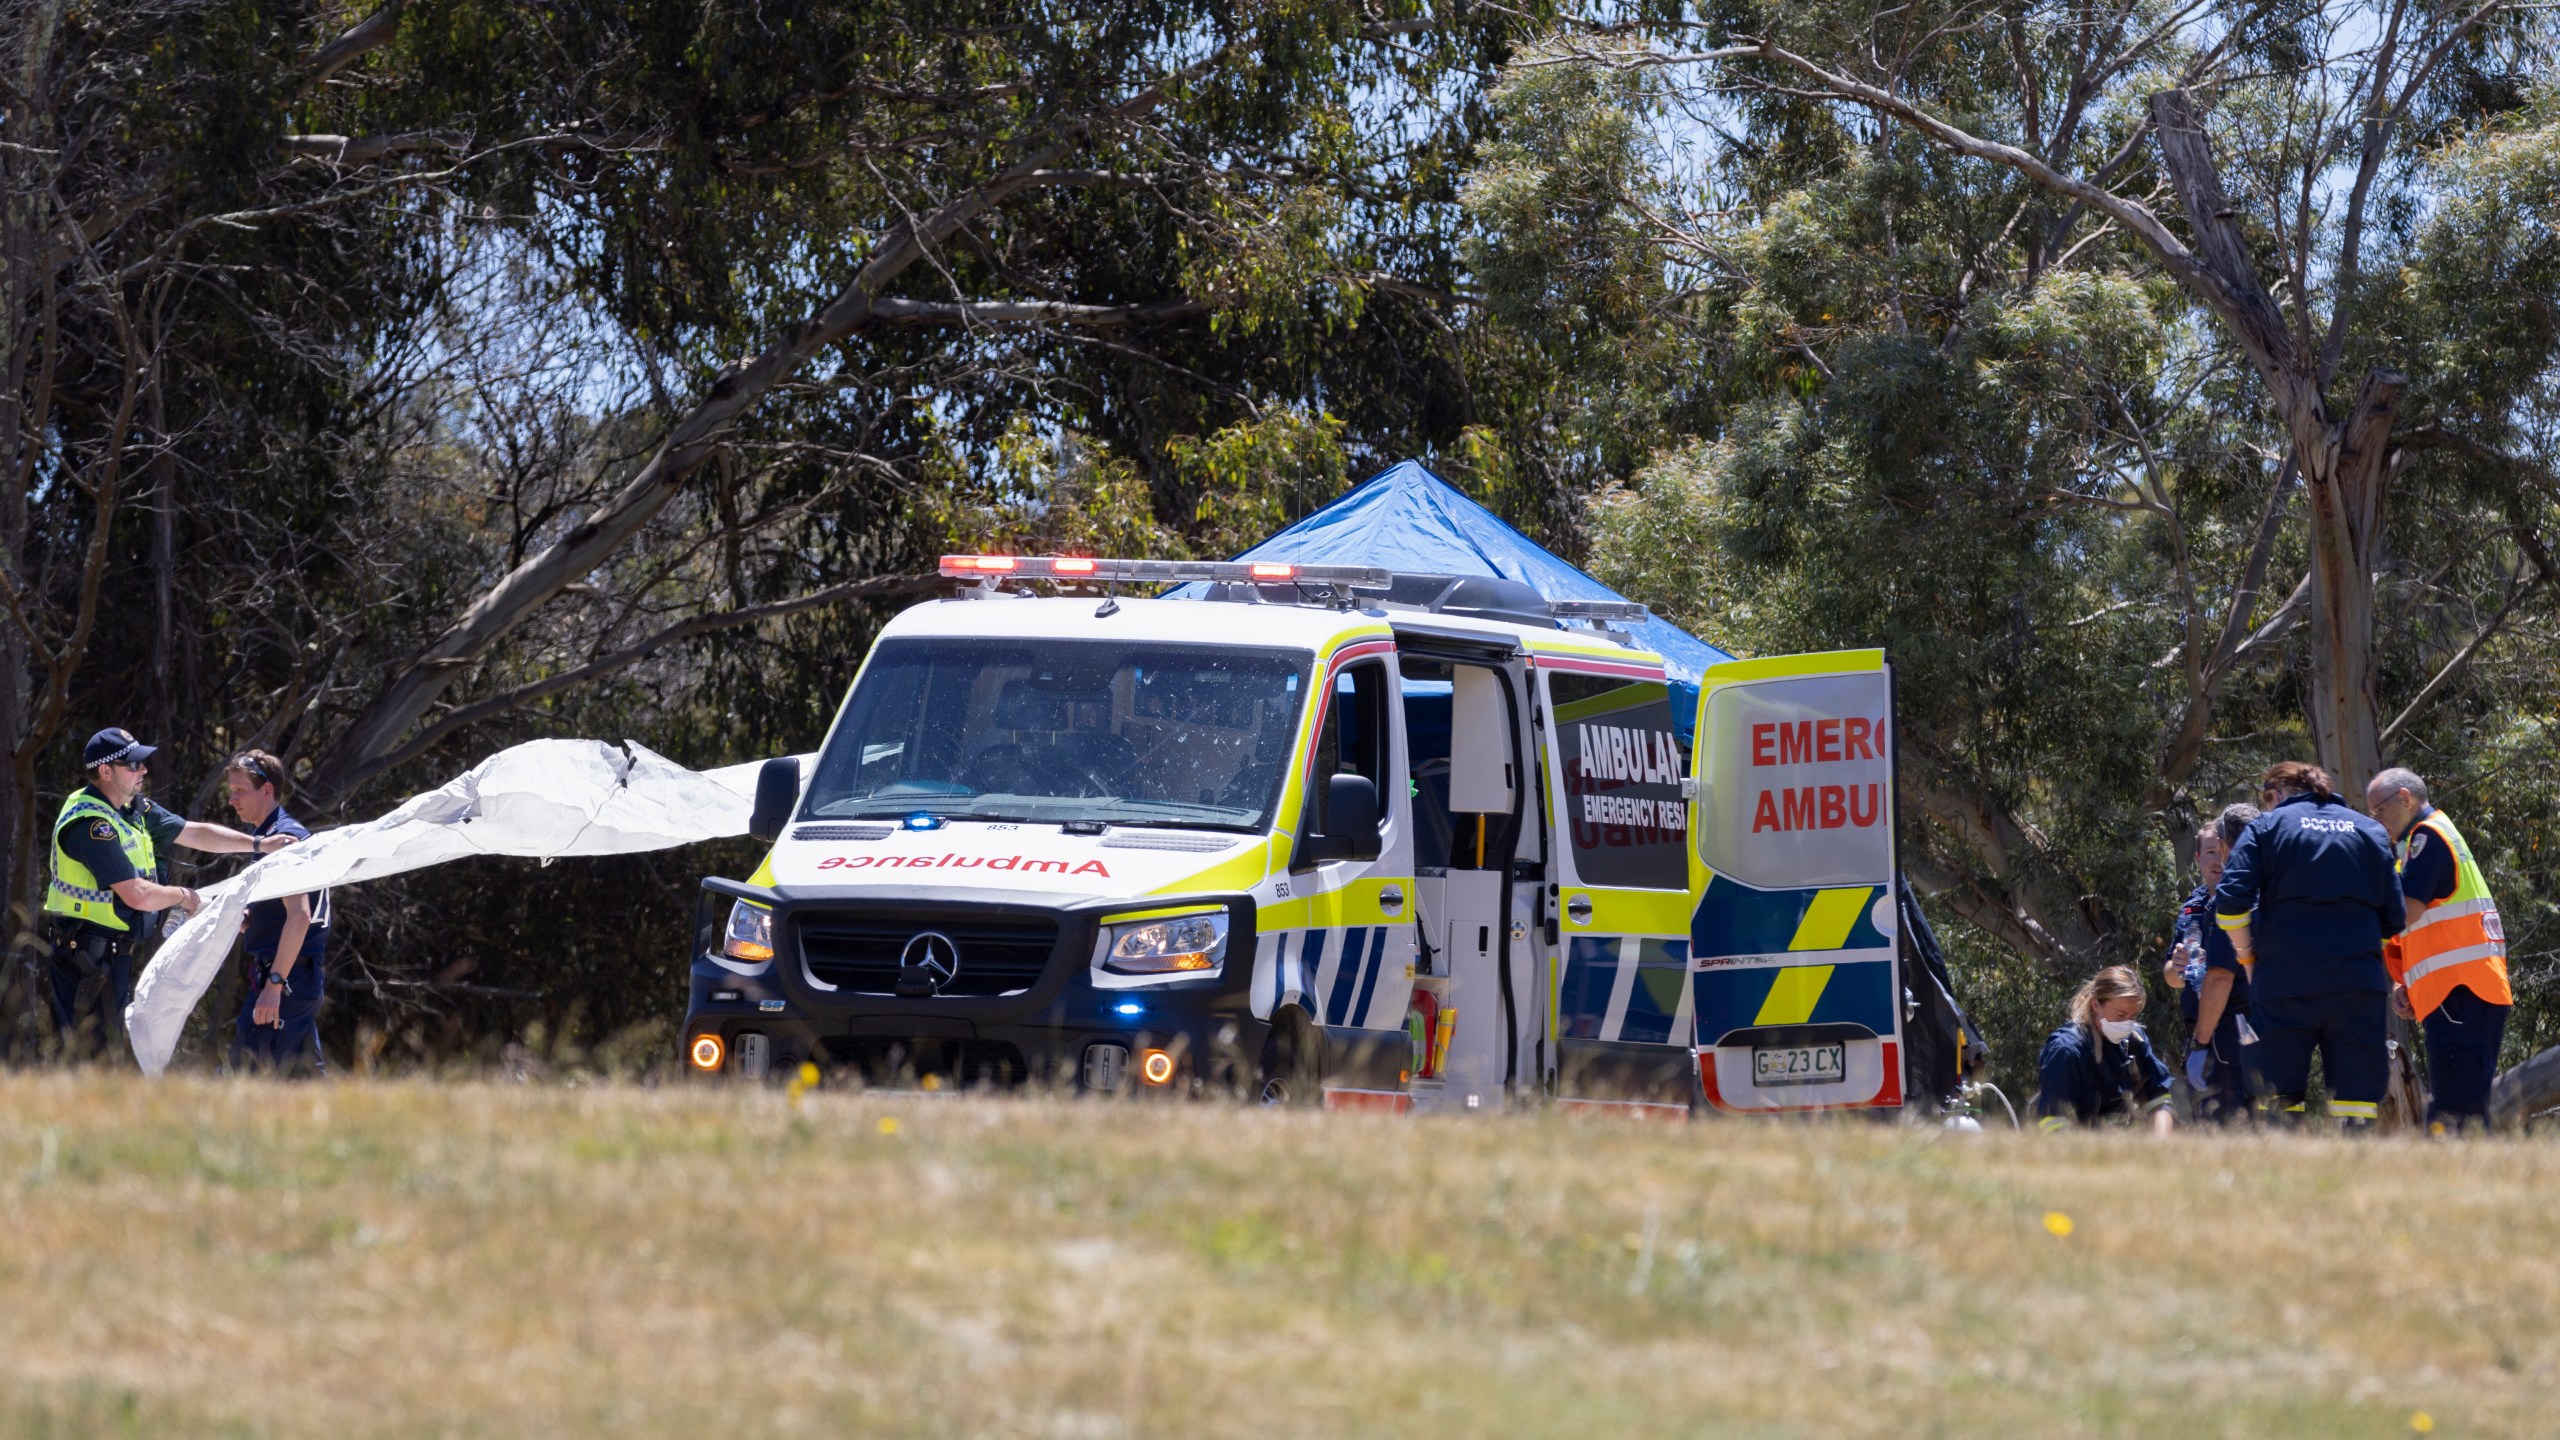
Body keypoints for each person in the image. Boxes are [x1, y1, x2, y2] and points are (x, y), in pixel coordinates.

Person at [42, 727, 296, 1058]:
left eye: (142, 763)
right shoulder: (91, 825)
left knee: (104, 1055)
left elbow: (195, 834)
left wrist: (259, 844)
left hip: (111, 954)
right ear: (105, 772)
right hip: (85, 958)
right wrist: (182, 897)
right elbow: (136, 895)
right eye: (133, 765)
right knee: (87, 1057)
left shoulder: (133, 809)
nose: (143, 770)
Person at [2212, 761, 2403, 1129]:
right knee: (2357, 1101)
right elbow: (2394, 918)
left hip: (2284, 982)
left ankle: (2286, 1179)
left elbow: (2231, 902)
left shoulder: (2266, 827)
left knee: (2279, 1097)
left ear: (2275, 794)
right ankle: (2355, 1177)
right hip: (2357, 985)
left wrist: (2248, 959)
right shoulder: (2371, 831)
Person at [2366, 767, 2512, 1134]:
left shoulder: (2426, 837)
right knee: (2460, 1107)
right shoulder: (2429, 837)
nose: (2376, 820)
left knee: (2453, 1111)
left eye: (2379, 810)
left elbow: (2406, 911)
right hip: (2462, 993)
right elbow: (2427, 928)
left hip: (2461, 992)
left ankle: (2460, 1184)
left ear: (2405, 798)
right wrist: (2409, 986)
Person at [221, 750, 332, 1074]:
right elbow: (280, 914)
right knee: (301, 1080)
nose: (232, 799)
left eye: (240, 791)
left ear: (266, 790)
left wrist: (274, 985)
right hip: (290, 976)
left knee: (245, 1073)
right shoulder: (267, 838)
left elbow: (300, 916)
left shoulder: (285, 840)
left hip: (287, 979)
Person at [2162, 803, 2259, 1122]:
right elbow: (2173, 978)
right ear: (2197, 859)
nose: (2217, 860)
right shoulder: (2192, 906)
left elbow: (2222, 977)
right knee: (2207, 1118)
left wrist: (2202, 1044)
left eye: (2222, 851)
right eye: (2209, 853)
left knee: (2231, 1120)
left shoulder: (2245, 897)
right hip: (2200, 1028)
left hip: (2235, 1028)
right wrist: (2177, 966)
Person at [2034, 965, 2174, 1131]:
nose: (2127, 1024)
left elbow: (2160, 1100)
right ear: (2095, 1005)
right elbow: (2054, 1123)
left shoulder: (2135, 1041)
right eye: (2120, 1015)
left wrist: (2161, 1145)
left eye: (2134, 1016)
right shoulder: (2067, 1050)